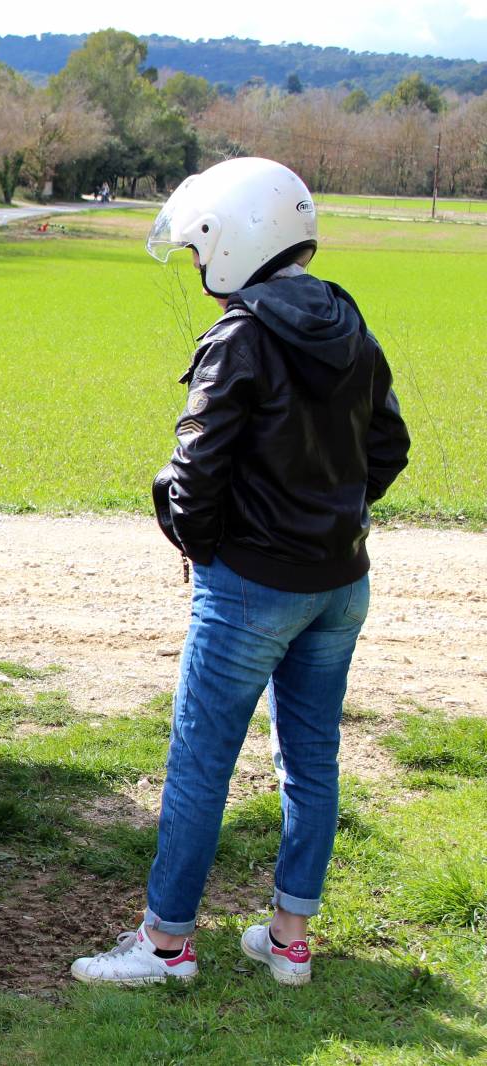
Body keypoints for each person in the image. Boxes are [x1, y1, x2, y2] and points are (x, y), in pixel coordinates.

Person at [71, 157, 410, 987]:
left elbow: (195, 474)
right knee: (313, 758)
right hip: (341, 582)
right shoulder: (348, 319)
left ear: (233, 242)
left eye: (198, 249)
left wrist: (202, 547)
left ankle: (164, 948)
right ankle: (290, 941)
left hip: (252, 586)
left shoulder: (241, 335)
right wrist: (331, 518)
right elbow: (389, 447)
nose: (195, 267)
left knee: (200, 760)